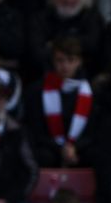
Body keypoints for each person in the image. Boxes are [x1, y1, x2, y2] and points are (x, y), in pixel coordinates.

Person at [23, 38, 96, 168]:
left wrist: (75, 147)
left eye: (71, 60)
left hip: (78, 149)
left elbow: (93, 130)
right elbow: (35, 130)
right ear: (52, 61)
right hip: (49, 149)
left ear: (79, 62)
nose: (65, 66)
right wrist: (60, 149)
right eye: (60, 60)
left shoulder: (91, 92)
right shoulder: (36, 91)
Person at [27, 0, 104, 79]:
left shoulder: (91, 17)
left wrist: (53, 44)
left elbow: (92, 45)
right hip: (45, 76)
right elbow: (36, 53)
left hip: (85, 76)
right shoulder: (40, 18)